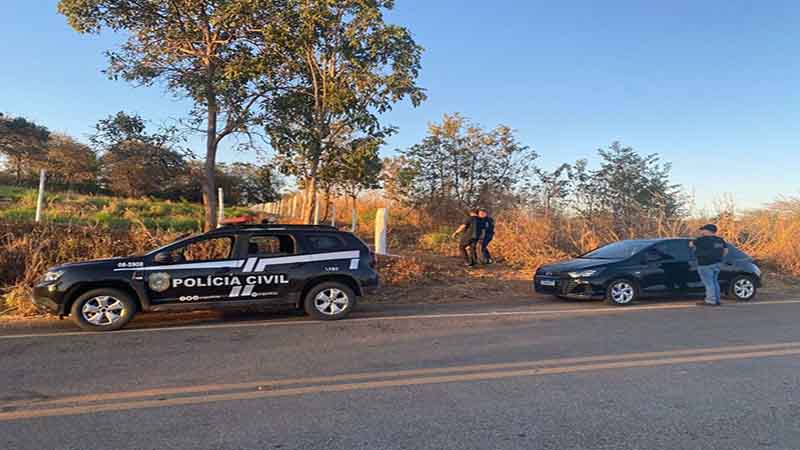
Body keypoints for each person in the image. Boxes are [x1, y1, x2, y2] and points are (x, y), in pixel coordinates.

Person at [690, 224, 728, 306]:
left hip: (705, 264)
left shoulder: (701, 240)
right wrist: (718, 257)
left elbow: (691, 245)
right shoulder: (720, 240)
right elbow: (725, 251)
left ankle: (710, 300)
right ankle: (717, 300)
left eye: (703, 230)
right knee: (714, 282)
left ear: (707, 231)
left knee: (709, 283)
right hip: (717, 263)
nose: (701, 232)